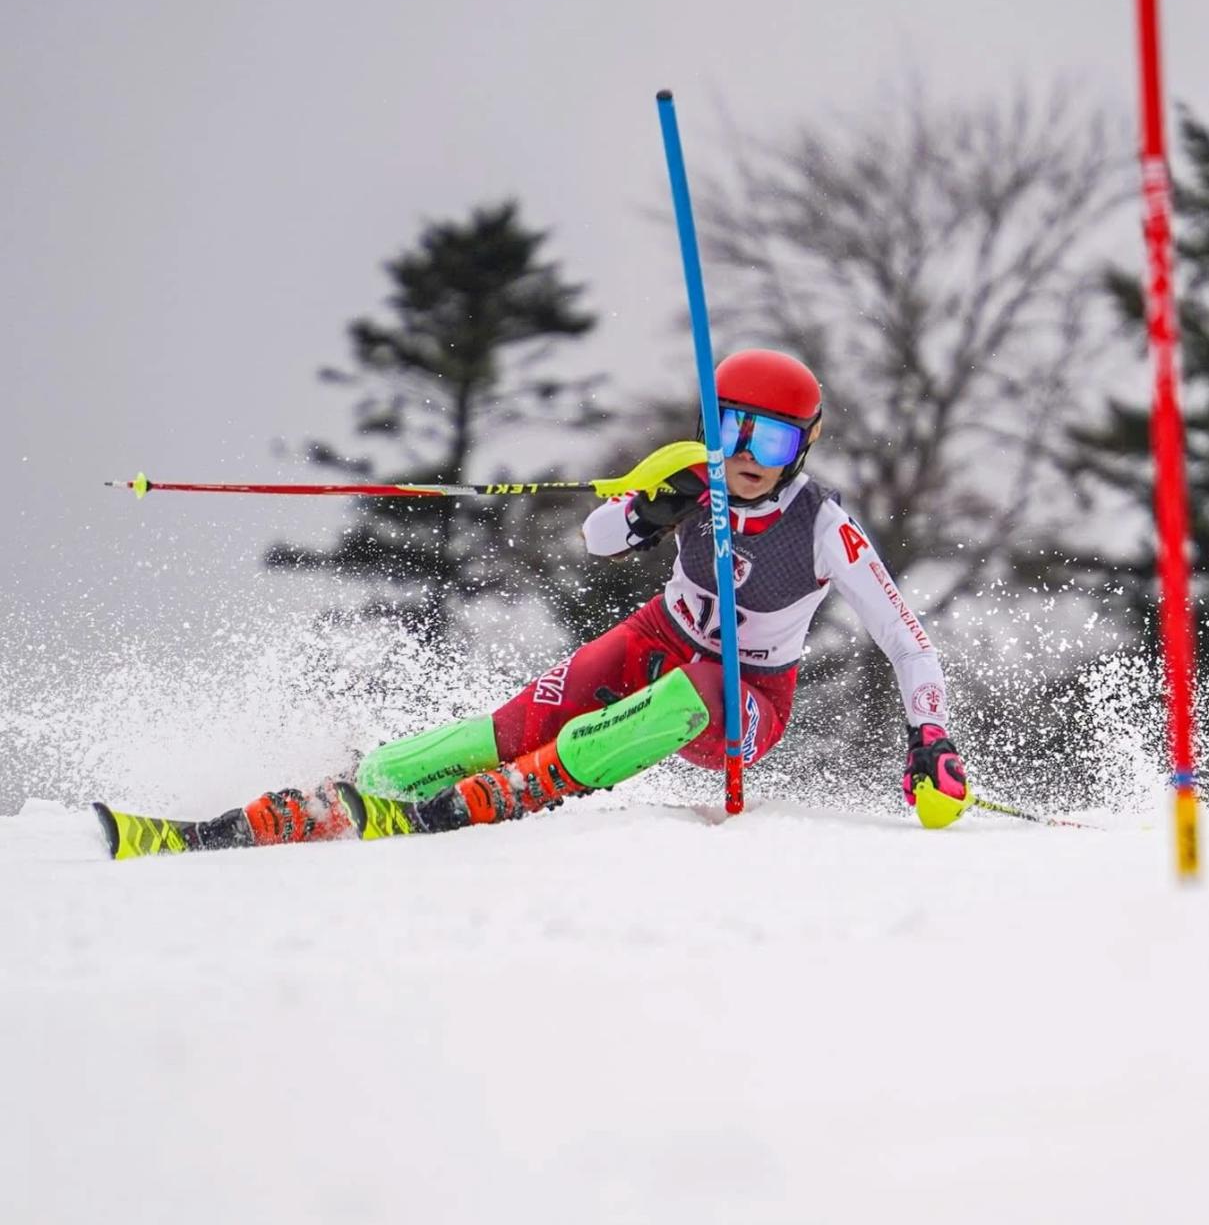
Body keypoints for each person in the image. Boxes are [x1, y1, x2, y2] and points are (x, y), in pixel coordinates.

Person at [93, 349, 969, 860]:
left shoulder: (822, 528)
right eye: (730, 427)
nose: (745, 452)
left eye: (769, 437)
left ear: (802, 445)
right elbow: (592, 540)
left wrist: (929, 734)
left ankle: (528, 789)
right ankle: (376, 781)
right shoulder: (689, 475)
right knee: (518, 721)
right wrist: (645, 511)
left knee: (699, 691)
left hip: (747, 696)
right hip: (653, 636)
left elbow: (907, 640)